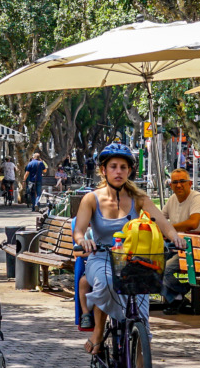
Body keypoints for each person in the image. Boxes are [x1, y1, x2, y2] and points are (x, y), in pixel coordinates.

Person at [73, 144, 179, 355]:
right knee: (106, 282)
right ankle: (99, 331)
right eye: (113, 166)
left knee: (142, 321)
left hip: (133, 261)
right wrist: (83, 240)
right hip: (100, 257)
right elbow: (79, 230)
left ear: (129, 171)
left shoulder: (139, 198)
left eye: (123, 167)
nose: (118, 171)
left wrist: (174, 236)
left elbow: (161, 221)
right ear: (103, 170)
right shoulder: (91, 199)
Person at [162, 169, 200, 235]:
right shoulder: (172, 199)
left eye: (182, 181)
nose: (178, 185)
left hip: (195, 244)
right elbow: (160, 219)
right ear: (171, 186)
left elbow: (193, 223)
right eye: (175, 182)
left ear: (190, 184)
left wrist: (168, 228)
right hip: (176, 242)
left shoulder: (197, 198)